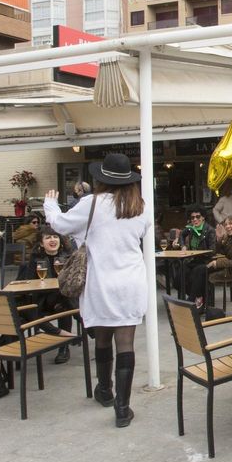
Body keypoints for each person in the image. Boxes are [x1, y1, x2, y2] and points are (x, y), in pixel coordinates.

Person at [44, 152, 152, 428]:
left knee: (102, 339)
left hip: (100, 280)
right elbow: (138, 233)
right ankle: (122, 408)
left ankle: (105, 390)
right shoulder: (141, 206)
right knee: (126, 341)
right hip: (130, 280)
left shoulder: (90, 203)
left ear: (102, 179)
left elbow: (59, 224)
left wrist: (50, 205)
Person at [16, 225, 76, 363]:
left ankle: (63, 347)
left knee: (63, 301)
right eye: (48, 237)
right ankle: (82, 321)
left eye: (55, 236)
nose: (52, 240)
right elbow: (30, 282)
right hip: (43, 300)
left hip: (61, 299)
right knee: (64, 298)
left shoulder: (68, 257)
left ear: (60, 240)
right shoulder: (35, 258)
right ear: (42, 243)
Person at [179, 207, 217, 307]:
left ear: (203, 217)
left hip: (205, 261)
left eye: (197, 217)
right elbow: (181, 235)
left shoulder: (210, 230)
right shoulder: (190, 228)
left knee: (195, 274)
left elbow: (213, 250)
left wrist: (199, 253)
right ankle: (198, 295)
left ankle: (191, 300)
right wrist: (183, 246)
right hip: (193, 260)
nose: (195, 219)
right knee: (178, 277)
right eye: (192, 218)